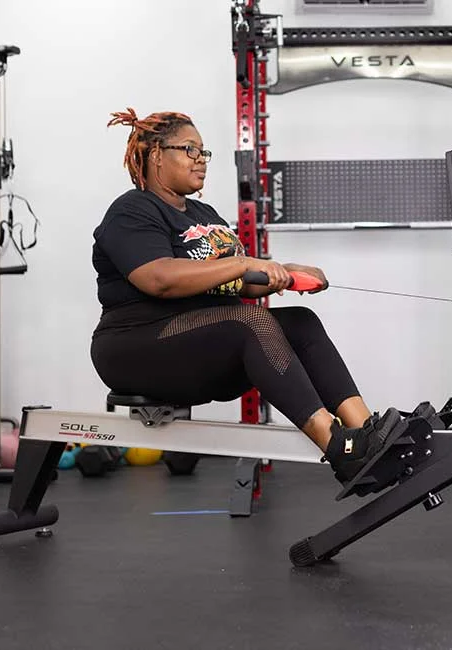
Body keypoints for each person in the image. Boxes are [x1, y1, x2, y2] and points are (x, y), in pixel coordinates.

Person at [90, 107, 402, 488]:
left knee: (300, 322)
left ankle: (370, 434)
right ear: (156, 155)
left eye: (203, 152)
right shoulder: (132, 210)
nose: (201, 160)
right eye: (189, 150)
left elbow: (240, 281)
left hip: (207, 344)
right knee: (249, 321)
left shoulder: (204, 214)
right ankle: (341, 448)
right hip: (137, 344)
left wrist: (285, 272)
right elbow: (159, 279)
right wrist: (244, 264)